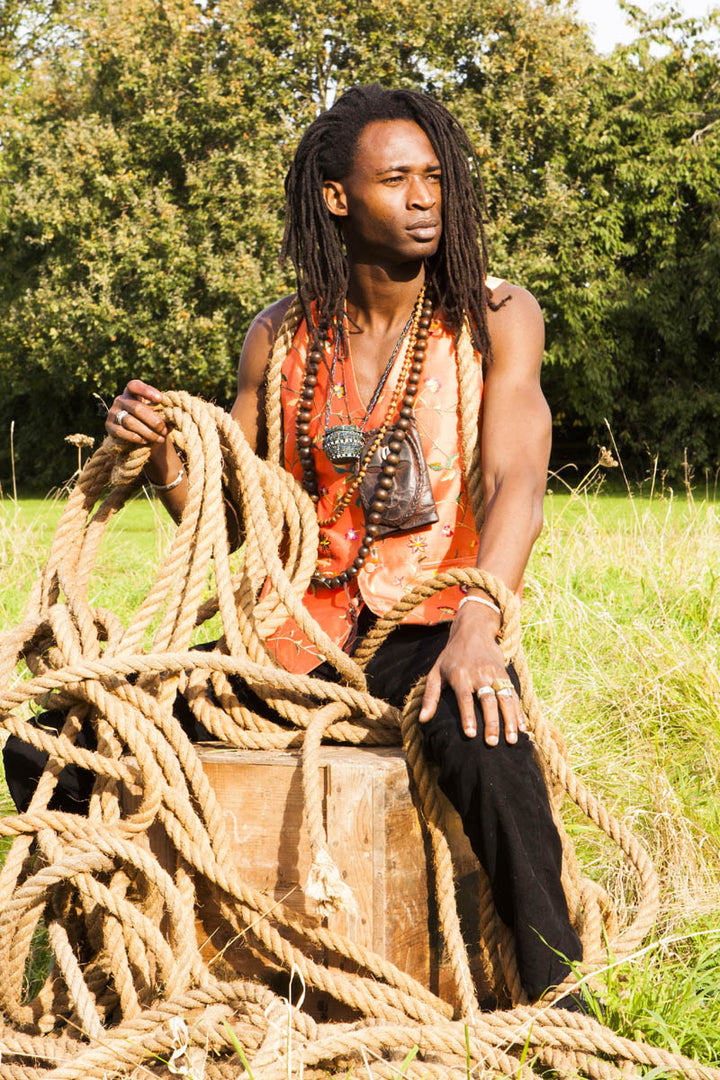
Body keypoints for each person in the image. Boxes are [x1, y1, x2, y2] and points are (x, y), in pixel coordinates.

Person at [8, 85, 582, 1005]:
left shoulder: (495, 316)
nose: (426, 197)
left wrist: (480, 624)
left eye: (435, 177)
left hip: (432, 622)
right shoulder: (278, 337)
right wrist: (160, 451)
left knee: (486, 737)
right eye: (397, 179)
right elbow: (232, 515)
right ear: (337, 197)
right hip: (290, 641)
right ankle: (120, 966)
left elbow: (518, 482)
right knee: (59, 737)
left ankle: (564, 1006)